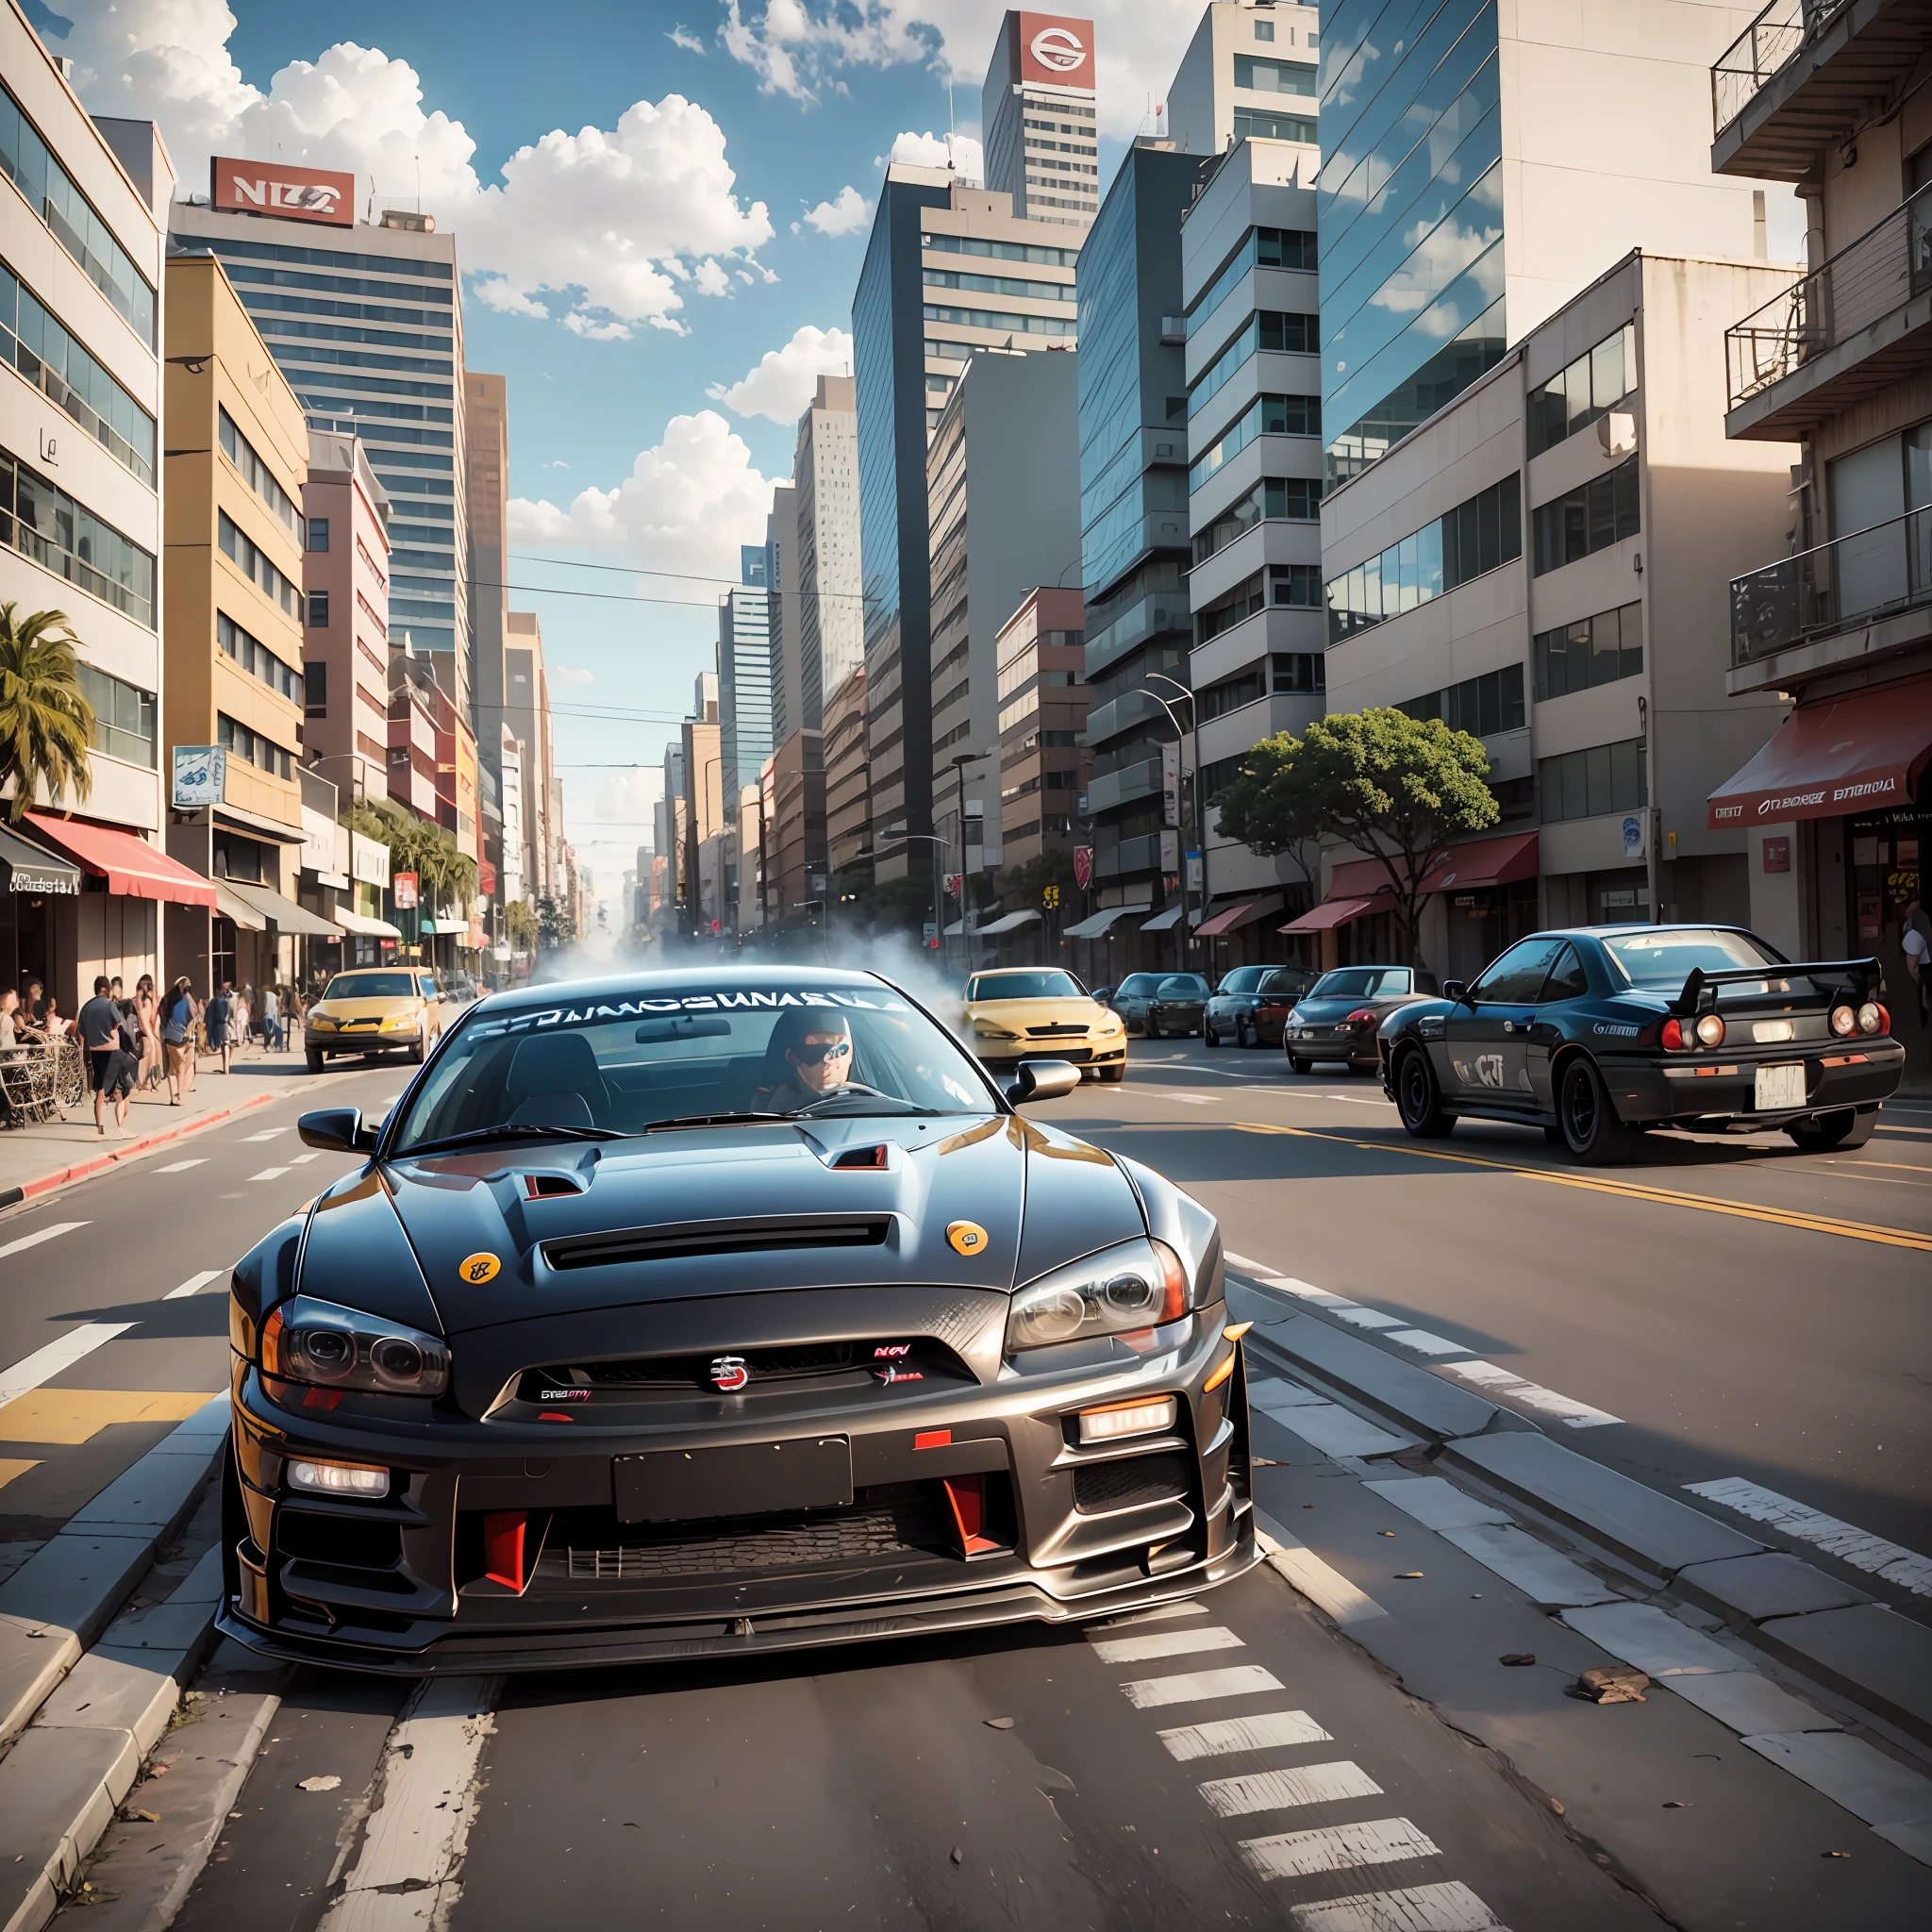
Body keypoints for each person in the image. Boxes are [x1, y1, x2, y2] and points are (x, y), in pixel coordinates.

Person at [758, 1008, 858, 1114]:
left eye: (841, 1049)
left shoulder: (869, 1098)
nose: (828, 1060)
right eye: (816, 1051)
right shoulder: (772, 1106)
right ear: (793, 1057)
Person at [76, 974, 121, 1135]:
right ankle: (117, 1121)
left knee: (100, 1086)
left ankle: (100, 1122)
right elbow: (118, 1021)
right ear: (105, 989)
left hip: (94, 1050)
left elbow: (81, 1030)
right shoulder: (109, 1005)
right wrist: (110, 1030)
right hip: (110, 1049)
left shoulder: (86, 1007)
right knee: (113, 1087)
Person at [98, 998, 139, 1133]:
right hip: (118, 1060)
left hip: (122, 1059)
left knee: (123, 1093)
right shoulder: (118, 1022)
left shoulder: (127, 1020)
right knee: (120, 1093)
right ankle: (119, 1126)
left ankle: (119, 1123)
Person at [158, 975, 198, 1104]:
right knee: (181, 1066)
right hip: (182, 1036)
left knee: (170, 1067)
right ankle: (178, 1095)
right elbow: (194, 1016)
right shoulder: (188, 1000)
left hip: (168, 1035)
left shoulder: (167, 999)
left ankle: (173, 1096)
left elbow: (162, 1015)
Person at [1903, 894, 1930, 1029]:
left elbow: (1913, 969)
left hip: (1923, 965)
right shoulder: (1917, 920)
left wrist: (1918, 979)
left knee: (1923, 994)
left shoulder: (1917, 923)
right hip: (1923, 961)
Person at [0, 988, 25, 1130]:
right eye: (14, 999)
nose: (17, 1002)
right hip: (7, 1062)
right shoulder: (6, 1019)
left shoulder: (4, 1018)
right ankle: (6, 1118)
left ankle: (7, 1117)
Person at [134, 973, 160, 1089]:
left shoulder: (142, 999)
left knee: (154, 1046)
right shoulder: (144, 999)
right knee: (152, 1046)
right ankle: (149, 1079)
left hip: (142, 1029)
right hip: (143, 1030)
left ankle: (150, 1078)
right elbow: (145, 1019)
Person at [205, 981, 235, 1074]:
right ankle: (226, 1069)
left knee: (223, 1046)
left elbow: (209, 1016)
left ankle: (225, 1068)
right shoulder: (225, 1001)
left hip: (219, 1025)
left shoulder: (214, 1001)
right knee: (226, 1045)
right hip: (224, 1025)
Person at [262, 981, 282, 1052]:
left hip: (267, 1015)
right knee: (278, 1030)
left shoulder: (265, 995)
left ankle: (266, 1046)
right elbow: (278, 1005)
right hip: (274, 1015)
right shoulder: (274, 996)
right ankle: (278, 1046)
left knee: (267, 1032)